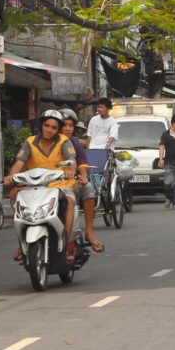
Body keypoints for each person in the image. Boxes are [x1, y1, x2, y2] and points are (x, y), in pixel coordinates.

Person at [4, 110, 77, 262]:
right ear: (41, 125)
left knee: (70, 201)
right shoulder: (30, 142)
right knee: (15, 199)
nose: (49, 130)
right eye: (46, 125)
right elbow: (19, 162)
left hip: (59, 185)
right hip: (34, 185)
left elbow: (71, 160)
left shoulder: (64, 141)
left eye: (53, 127)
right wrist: (12, 178)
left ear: (58, 130)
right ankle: (22, 243)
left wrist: (71, 170)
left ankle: (67, 241)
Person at [59, 108, 103, 252]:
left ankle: (89, 232)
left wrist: (82, 176)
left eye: (71, 126)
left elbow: (81, 164)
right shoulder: (42, 142)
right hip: (47, 186)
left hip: (69, 184)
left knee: (88, 187)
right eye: (64, 125)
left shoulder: (75, 144)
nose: (67, 129)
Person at [85, 97, 119, 170]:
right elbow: (89, 135)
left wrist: (107, 146)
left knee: (103, 170)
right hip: (92, 149)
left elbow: (112, 136)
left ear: (108, 109)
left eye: (102, 107)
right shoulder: (93, 119)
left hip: (104, 151)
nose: (99, 109)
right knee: (92, 170)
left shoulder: (113, 121)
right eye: (98, 107)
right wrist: (87, 149)